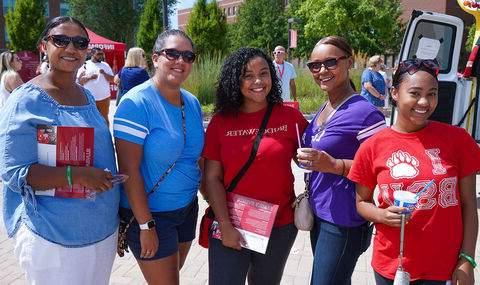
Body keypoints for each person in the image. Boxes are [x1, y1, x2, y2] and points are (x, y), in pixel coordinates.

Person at [0, 16, 120, 284]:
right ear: (44, 46)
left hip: (100, 231)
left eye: (79, 42)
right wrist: (77, 175)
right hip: (52, 237)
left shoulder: (86, 96)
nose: (71, 48)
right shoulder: (25, 100)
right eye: (61, 40)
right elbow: (14, 172)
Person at [349, 58, 480, 285]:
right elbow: (361, 202)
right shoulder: (372, 146)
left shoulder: (458, 140)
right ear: (395, 93)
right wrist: (381, 215)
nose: (424, 102)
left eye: (432, 94)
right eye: (415, 93)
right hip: (393, 265)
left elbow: (469, 204)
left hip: (444, 267)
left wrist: (467, 259)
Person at [203, 47, 308, 285]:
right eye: (248, 76)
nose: (258, 81)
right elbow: (211, 179)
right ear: (235, 80)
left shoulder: (289, 118)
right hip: (231, 223)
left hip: (279, 225)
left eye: (264, 73)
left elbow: (312, 159)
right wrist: (226, 226)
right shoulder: (221, 122)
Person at [113, 29, 204, 285]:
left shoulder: (192, 102)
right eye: (172, 53)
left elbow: (197, 158)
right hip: (152, 215)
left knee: (170, 277)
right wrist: (146, 226)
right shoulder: (135, 104)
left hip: (186, 209)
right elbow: (128, 171)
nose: (181, 61)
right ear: (154, 58)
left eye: (188, 56)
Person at [297, 36, 386, 285]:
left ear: (349, 63)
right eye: (315, 65)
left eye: (330, 62)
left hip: (344, 219)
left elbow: (380, 170)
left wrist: (335, 165)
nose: (322, 70)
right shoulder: (326, 106)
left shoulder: (366, 113)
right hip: (320, 212)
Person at [77, 47, 114, 124]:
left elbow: (112, 79)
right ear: (92, 54)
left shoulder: (105, 65)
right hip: (89, 98)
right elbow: (80, 81)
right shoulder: (85, 65)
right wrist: (90, 77)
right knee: (90, 120)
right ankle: (93, 136)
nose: (101, 56)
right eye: (98, 54)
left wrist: (104, 73)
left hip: (104, 98)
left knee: (104, 119)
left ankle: (105, 135)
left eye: (102, 54)